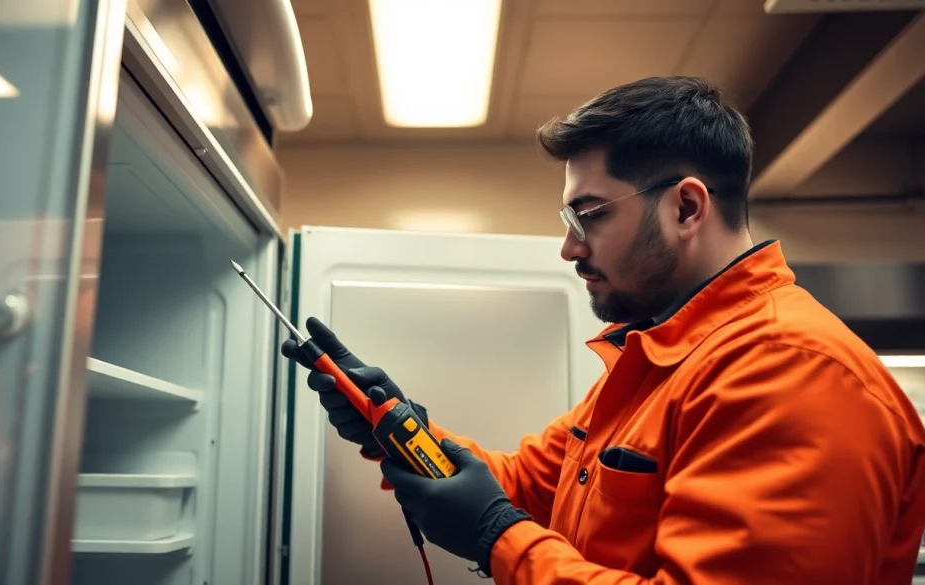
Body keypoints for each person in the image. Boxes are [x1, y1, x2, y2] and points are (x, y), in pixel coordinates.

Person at [281, 76, 925, 584]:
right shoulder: (664, 355)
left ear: (687, 207)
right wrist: (395, 425)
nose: (568, 248)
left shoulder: (792, 370)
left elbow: (499, 515)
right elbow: (529, 484)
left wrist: (495, 537)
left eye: (587, 215)